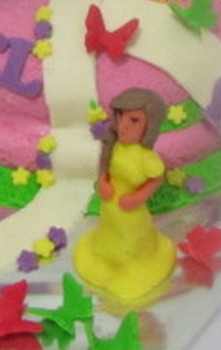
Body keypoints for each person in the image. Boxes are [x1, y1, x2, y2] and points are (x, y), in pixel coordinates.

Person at [73, 88, 177, 301]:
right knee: (107, 240)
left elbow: (157, 179)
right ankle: (107, 264)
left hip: (131, 216)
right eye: (120, 116)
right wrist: (103, 182)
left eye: (134, 120)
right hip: (110, 210)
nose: (123, 125)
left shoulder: (146, 158)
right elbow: (106, 168)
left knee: (129, 246)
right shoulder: (115, 146)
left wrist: (138, 197)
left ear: (149, 125)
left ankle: (130, 269)